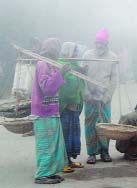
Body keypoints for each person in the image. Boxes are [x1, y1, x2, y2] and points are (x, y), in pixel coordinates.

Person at [31, 38, 70, 184]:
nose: (58, 51)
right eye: (56, 48)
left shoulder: (52, 65)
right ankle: (42, 174)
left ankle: (50, 172)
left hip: (52, 110)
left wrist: (61, 73)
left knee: (54, 144)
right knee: (46, 146)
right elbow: (47, 88)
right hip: (43, 112)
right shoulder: (42, 64)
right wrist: (61, 73)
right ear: (50, 49)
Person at [82, 29, 118, 164]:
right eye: (97, 42)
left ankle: (104, 151)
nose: (99, 45)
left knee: (105, 125)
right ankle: (91, 153)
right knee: (90, 125)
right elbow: (82, 76)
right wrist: (87, 94)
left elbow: (114, 80)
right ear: (94, 42)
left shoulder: (113, 57)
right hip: (90, 97)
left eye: (101, 42)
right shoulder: (87, 55)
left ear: (106, 43)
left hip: (104, 98)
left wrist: (107, 97)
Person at [58, 42, 85, 171]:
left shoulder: (75, 66)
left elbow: (80, 85)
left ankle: (69, 159)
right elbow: (66, 86)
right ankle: (63, 162)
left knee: (73, 134)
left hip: (74, 107)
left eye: (76, 52)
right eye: (73, 52)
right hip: (66, 107)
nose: (76, 54)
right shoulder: (61, 64)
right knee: (65, 134)